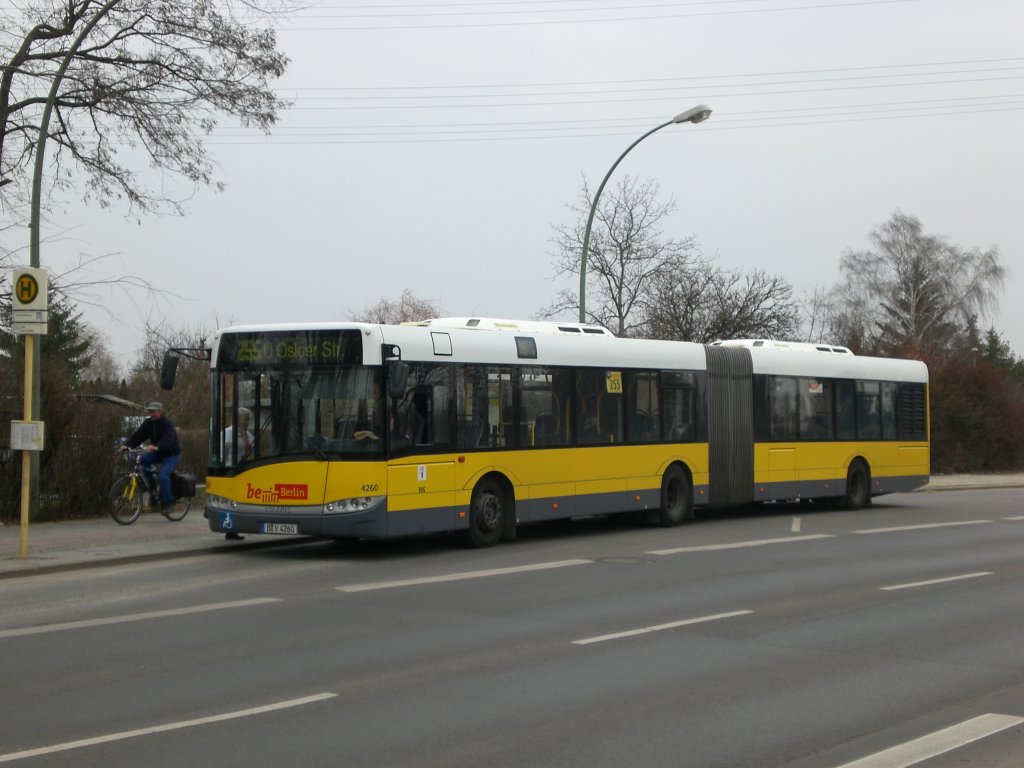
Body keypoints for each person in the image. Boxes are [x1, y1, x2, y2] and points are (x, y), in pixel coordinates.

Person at [123, 401, 181, 514]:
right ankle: (152, 486)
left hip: (171, 454)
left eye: (153, 411)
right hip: (158, 452)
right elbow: (138, 435)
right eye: (150, 411)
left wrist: (157, 447)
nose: (151, 414)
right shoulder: (148, 423)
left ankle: (168, 503)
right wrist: (127, 445)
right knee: (143, 459)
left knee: (163, 476)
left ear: (160, 411)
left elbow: (168, 439)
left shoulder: (167, 424)